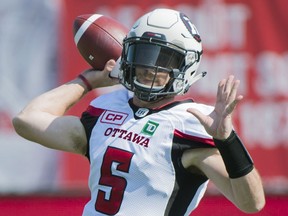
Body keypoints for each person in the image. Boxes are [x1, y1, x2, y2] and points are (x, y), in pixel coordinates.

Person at [13, 8, 265, 216]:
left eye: (163, 60)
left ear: (186, 66)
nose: (148, 67)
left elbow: (252, 204)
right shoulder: (107, 111)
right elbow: (27, 120)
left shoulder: (189, 125)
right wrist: (86, 81)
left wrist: (227, 139)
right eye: (143, 54)